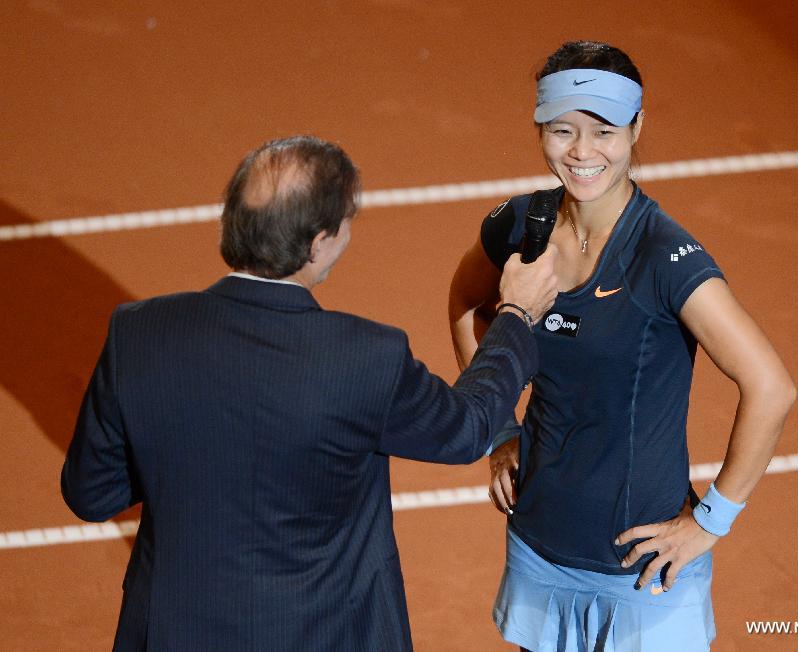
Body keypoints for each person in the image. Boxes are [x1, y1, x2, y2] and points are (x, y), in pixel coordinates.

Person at [61, 135, 559, 651]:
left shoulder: (137, 333)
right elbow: (466, 429)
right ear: (319, 243)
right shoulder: (365, 357)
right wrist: (516, 315)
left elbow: (92, 493)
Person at [448, 41, 797, 651]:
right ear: (540, 129)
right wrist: (498, 432)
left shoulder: (664, 256)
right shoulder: (517, 226)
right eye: (563, 131)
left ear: (638, 128)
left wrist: (711, 521)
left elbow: (771, 387)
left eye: (604, 131)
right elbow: (465, 307)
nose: (583, 153)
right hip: (538, 549)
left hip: (643, 578)